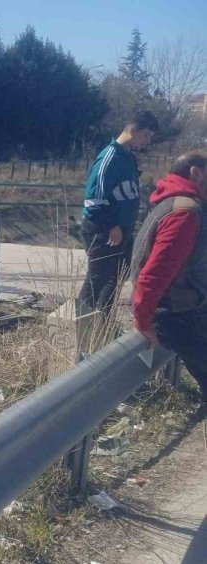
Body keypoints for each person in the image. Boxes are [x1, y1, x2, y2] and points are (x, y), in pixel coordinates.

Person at [131, 150, 207, 401]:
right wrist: (143, 322)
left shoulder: (175, 203)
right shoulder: (185, 212)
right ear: (196, 173)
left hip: (184, 310)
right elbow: (154, 274)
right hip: (178, 315)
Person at [78, 110, 159, 315]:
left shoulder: (129, 157)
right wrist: (111, 226)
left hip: (123, 228)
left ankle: (103, 323)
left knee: (116, 277)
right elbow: (94, 200)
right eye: (146, 135)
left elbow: (123, 190)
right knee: (97, 278)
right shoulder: (110, 157)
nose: (147, 141)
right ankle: (81, 323)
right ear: (133, 130)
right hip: (104, 229)